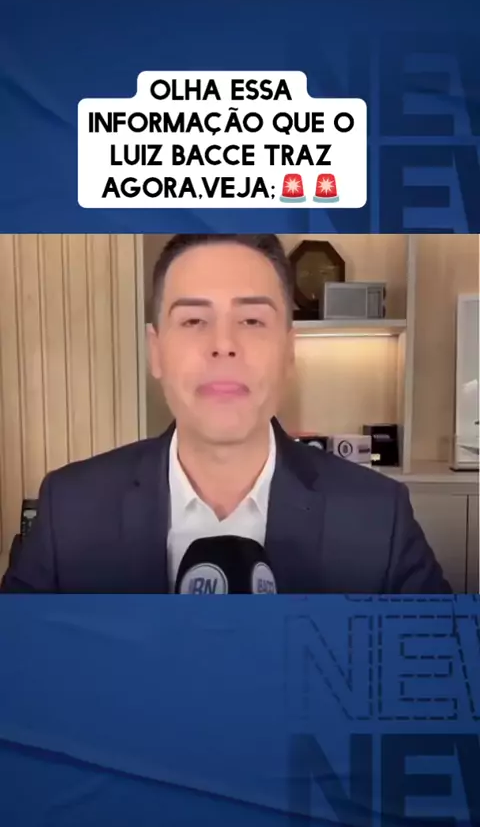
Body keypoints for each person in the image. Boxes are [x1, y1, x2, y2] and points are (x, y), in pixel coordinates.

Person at [1, 234, 451, 594]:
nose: (223, 344)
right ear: (156, 352)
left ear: (288, 352)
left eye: (252, 320)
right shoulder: (70, 509)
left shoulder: (378, 517)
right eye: (194, 320)